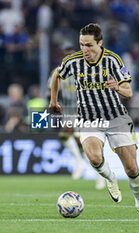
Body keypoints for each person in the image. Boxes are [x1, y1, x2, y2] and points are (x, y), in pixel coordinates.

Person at [49, 23, 139, 218]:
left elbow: (128, 92)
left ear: (100, 43)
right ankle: (110, 178)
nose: (84, 49)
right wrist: (53, 101)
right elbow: (57, 74)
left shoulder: (113, 60)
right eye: (81, 44)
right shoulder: (73, 61)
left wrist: (116, 87)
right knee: (95, 158)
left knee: (131, 168)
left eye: (89, 45)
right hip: (88, 118)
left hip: (116, 117)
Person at [48, 41, 105, 189]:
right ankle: (98, 173)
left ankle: (80, 162)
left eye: (71, 52)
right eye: (66, 52)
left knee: (66, 134)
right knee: (79, 144)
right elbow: (52, 87)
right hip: (69, 110)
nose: (68, 54)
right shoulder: (59, 70)